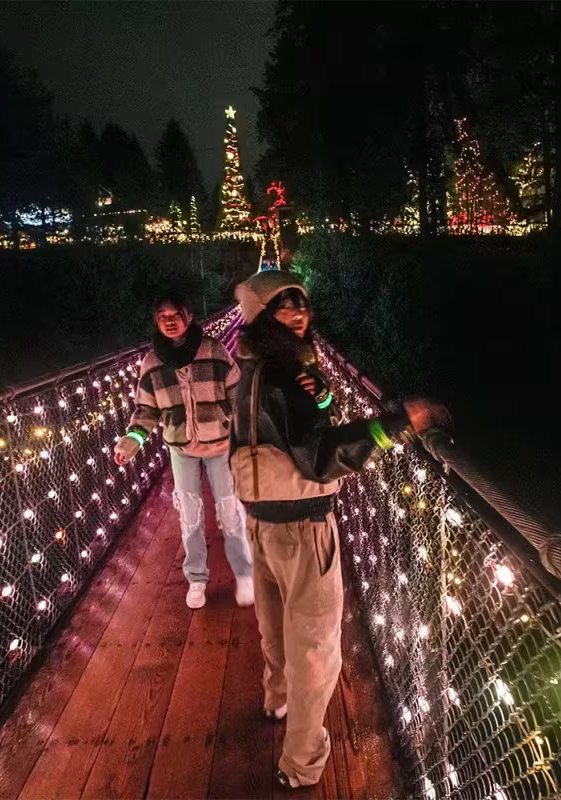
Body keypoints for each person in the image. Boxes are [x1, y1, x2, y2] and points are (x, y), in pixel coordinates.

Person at [229, 271, 450, 789]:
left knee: (274, 627)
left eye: (301, 304)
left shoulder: (250, 369)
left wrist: (323, 400)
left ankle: (277, 700)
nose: (298, 314)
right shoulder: (283, 377)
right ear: (263, 317)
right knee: (314, 649)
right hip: (304, 529)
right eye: (284, 307)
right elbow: (321, 457)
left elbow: (289, 429)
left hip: (261, 523)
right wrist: (397, 426)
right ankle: (302, 764)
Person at [114, 290, 254, 610]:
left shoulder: (213, 349)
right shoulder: (152, 362)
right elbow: (146, 410)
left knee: (230, 510)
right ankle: (196, 579)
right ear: (156, 322)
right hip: (181, 447)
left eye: (174, 315)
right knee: (189, 515)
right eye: (162, 317)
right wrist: (130, 443)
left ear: (188, 317)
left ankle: (244, 573)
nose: (169, 321)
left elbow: (238, 394)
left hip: (219, 444)